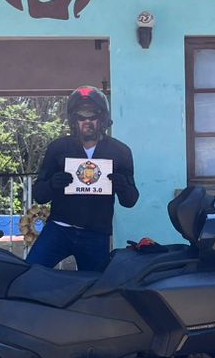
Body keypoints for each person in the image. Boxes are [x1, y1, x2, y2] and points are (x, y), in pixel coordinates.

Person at [28, 86, 138, 272]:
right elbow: (39, 194)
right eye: (81, 116)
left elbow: (131, 200)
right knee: (29, 274)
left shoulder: (120, 152)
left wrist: (122, 186)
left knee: (94, 290)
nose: (87, 121)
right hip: (59, 228)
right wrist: (53, 184)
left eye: (93, 115)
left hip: (95, 234)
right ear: (73, 120)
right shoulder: (58, 148)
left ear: (102, 118)